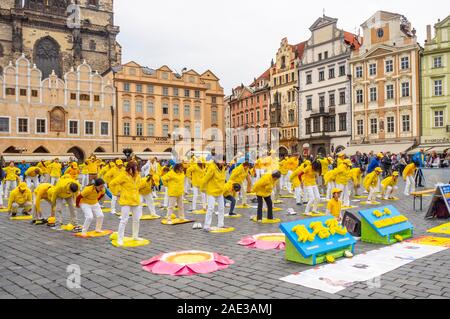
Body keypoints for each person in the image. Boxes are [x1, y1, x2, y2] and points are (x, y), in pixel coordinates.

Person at [109, 161, 142, 246]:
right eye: (133, 169)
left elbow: (139, 186)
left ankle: (135, 236)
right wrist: (116, 193)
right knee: (124, 220)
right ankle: (120, 238)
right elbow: (112, 184)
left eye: (135, 168)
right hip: (126, 201)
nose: (134, 170)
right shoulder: (123, 175)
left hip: (136, 200)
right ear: (129, 168)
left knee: (136, 219)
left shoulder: (138, 175)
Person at [201, 157, 227, 232]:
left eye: (224, 160)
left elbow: (222, 180)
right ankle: (206, 226)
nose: (223, 162)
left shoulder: (223, 168)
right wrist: (202, 189)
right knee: (211, 208)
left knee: (221, 208)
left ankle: (221, 224)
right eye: (222, 160)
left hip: (220, 191)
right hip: (211, 191)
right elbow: (205, 179)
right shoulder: (212, 168)